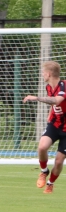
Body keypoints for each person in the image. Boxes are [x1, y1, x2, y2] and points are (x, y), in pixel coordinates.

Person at [23, 60, 66, 193]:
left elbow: (57, 100)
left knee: (59, 161)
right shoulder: (49, 87)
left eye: (43, 72)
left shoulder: (64, 85)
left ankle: (50, 183)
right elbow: (53, 104)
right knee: (42, 147)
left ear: (48, 74)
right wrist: (50, 115)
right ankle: (43, 171)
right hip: (55, 124)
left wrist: (36, 98)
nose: (42, 75)